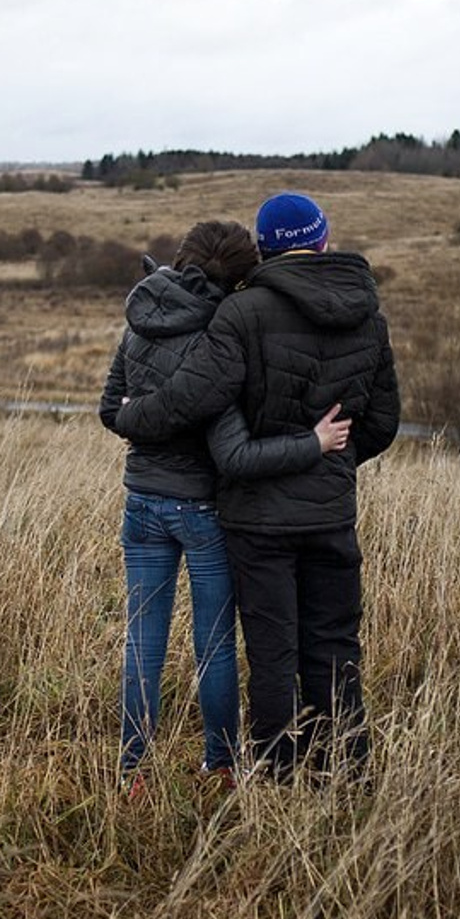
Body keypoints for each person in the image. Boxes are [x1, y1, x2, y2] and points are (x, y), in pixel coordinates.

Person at [115, 193, 400, 781]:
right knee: (336, 647)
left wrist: (128, 416)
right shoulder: (368, 314)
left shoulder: (242, 316)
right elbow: (382, 423)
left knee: (271, 654)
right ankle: (345, 773)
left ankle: (276, 776)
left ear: (266, 249)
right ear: (323, 240)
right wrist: (331, 464)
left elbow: (190, 401)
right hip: (328, 513)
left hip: (256, 519)